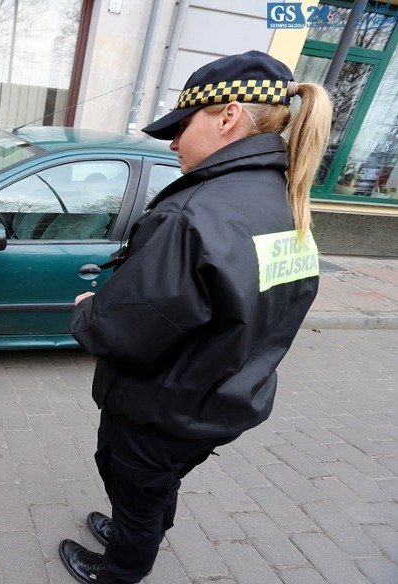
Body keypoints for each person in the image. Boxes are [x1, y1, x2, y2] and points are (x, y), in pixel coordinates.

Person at [58, 51, 332, 583]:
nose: (174, 141)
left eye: (182, 126)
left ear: (226, 116)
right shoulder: (284, 200)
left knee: (136, 492)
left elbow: (125, 330)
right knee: (161, 485)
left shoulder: (192, 214)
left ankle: (120, 570)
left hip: (162, 408)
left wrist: (91, 313)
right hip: (220, 401)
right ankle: (139, 529)